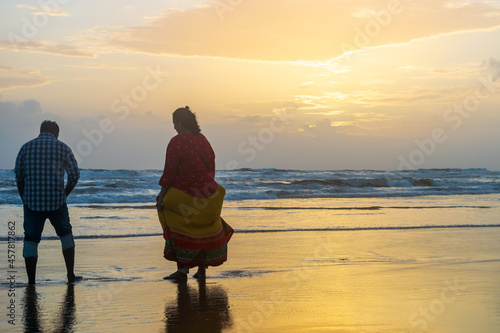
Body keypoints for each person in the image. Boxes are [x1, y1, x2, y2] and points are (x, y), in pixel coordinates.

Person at [156, 106, 233, 282]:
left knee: (174, 218)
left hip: (185, 193)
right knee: (202, 227)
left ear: (181, 122)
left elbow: (169, 173)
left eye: (175, 122)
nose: (174, 127)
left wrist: (161, 197)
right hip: (208, 194)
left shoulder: (177, 142)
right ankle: (202, 269)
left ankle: (182, 270)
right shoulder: (204, 140)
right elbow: (211, 169)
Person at [15, 120, 80, 285]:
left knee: (30, 240)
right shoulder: (63, 148)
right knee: (65, 235)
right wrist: (64, 194)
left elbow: (19, 176)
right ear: (56, 133)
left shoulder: (25, 148)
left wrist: (24, 197)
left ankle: (31, 281)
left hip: (31, 202)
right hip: (57, 202)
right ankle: (70, 275)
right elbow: (74, 176)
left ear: (40, 131)